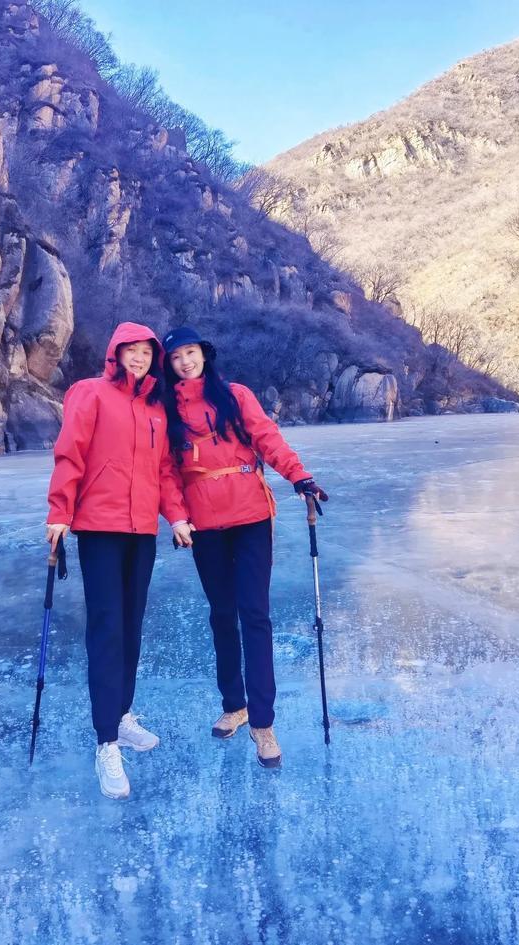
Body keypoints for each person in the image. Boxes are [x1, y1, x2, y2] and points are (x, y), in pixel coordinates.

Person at [160, 326, 329, 769]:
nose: (185, 362)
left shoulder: (234, 394)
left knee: (254, 614)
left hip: (251, 516)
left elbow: (266, 437)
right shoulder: (166, 410)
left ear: (204, 354)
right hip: (204, 523)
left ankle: (263, 722)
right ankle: (234, 704)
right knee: (221, 614)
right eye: (176, 357)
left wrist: (299, 476)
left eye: (191, 352)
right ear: (169, 364)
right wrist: (177, 516)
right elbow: (166, 473)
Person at [45, 322, 193, 800]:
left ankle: (122, 713)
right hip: (100, 530)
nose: (138, 358)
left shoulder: (156, 408)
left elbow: (166, 471)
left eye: (145, 352)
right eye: (129, 350)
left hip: (140, 532)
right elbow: (70, 455)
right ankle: (106, 742)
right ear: (115, 352)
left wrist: (176, 517)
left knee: (132, 626)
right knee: (108, 630)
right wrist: (58, 512)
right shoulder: (90, 394)